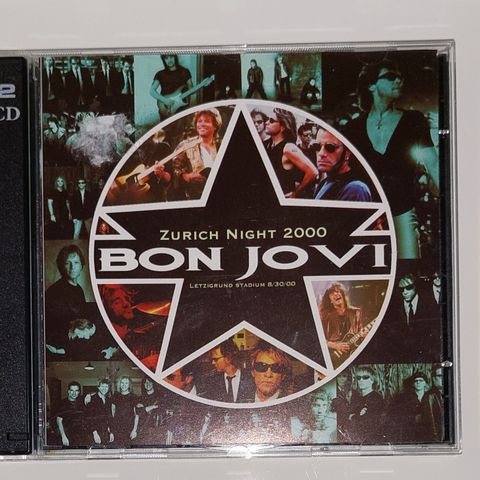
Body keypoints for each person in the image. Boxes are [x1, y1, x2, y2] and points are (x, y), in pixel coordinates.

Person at [345, 60, 439, 258]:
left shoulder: (413, 120)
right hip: (364, 216)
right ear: (371, 85)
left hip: (402, 213)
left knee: (407, 269)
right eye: (390, 77)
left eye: (400, 77)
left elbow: (433, 165)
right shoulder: (353, 128)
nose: (398, 81)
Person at [263, 108, 318, 198]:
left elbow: (313, 172)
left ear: (283, 127)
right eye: (267, 119)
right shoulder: (268, 144)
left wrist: (296, 193)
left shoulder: (289, 147)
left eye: (271, 120)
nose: (266, 122)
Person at [171, 108, 222, 200]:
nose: (202, 124)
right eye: (199, 121)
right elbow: (173, 169)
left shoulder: (222, 145)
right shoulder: (186, 145)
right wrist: (186, 176)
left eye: (206, 121)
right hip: (194, 197)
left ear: (215, 125)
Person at [45, 245, 86, 353]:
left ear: (81, 265)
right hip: (59, 343)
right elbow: (52, 324)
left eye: (76, 262)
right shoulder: (54, 291)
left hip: (75, 338)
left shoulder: (79, 289)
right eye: (67, 263)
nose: (72, 267)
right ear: (61, 266)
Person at [313, 127, 372, 201]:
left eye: (330, 147)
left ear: (347, 154)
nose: (321, 153)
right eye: (317, 146)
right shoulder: (325, 182)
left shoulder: (356, 189)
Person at [319, 283, 366, 367]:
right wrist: (336, 346)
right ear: (330, 300)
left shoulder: (356, 312)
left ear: (343, 295)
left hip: (352, 355)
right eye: (332, 293)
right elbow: (319, 339)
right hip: (333, 356)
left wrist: (364, 336)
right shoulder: (325, 316)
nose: (336, 294)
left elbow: (360, 335)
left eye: (338, 291)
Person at [202, 338, 255, 403]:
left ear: (228, 358)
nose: (213, 362)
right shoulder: (211, 380)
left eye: (215, 359)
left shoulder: (251, 378)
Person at [347, 366, 384, 443]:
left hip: (371, 440)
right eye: (358, 378)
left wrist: (354, 416)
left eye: (365, 377)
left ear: (372, 380)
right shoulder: (357, 398)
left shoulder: (376, 398)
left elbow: (369, 422)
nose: (361, 380)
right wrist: (358, 416)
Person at [150, 54, 193, 120]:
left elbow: (191, 90)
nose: (169, 60)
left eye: (171, 57)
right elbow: (152, 91)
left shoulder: (185, 72)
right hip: (166, 107)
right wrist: (165, 100)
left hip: (182, 108)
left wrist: (202, 84)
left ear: (175, 57)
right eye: (166, 58)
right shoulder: (160, 74)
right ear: (163, 60)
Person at [55, 381, 86, 447]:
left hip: (80, 436)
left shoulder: (81, 403)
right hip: (67, 435)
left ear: (79, 392)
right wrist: (63, 436)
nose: (74, 393)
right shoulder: (62, 403)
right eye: (72, 390)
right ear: (68, 391)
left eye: (76, 391)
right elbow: (59, 421)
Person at [85, 378, 114, 445]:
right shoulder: (92, 399)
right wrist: (95, 433)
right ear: (98, 387)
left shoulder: (108, 400)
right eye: (102, 386)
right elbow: (89, 418)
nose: (104, 389)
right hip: (94, 433)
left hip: (105, 432)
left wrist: (111, 432)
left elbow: (109, 418)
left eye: (106, 387)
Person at [111, 376, 139, 445]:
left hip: (129, 429)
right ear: (119, 384)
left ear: (129, 385)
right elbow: (112, 413)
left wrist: (134, 430)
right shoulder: (115, 396)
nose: (124, 385)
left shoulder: (134, 397)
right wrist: (112, 430)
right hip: (117, 428)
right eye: (122, 383)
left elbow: (136, 415)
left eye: (126, 383)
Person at [423, 364, 444, 441]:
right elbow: (431, 423)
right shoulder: (429, 396)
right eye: (440, 376)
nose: (443, 378)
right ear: (434, 378)